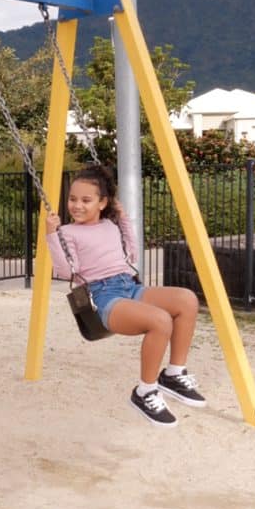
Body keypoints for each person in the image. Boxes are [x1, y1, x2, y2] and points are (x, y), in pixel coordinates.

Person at [46, 165, 206, 428]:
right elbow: (66, 272)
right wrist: (51, 235)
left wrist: (123, 219)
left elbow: (131, 255)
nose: (77, 206)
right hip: (103, 297)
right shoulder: (67, 233)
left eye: (86, 200)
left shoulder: (110, 224)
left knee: (187, 299)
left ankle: (174, 373)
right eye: (73, 199)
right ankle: (145, 391)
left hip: (129, 286)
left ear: (102, 203)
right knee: (160, 320)